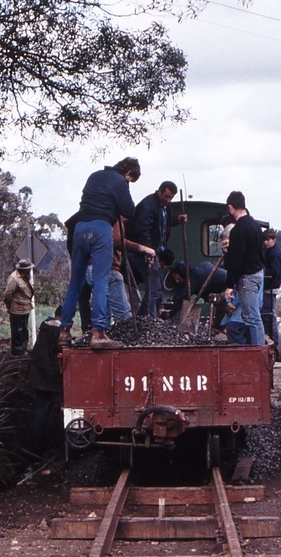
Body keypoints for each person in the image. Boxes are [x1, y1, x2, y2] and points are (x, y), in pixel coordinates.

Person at [59, 157, 140, 349]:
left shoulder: (94, 176)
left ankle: (63, 332)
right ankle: (99, 333)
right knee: (101, 282)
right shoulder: (120, 180)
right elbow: (129, 209)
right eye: (131, 180)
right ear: (128, 173)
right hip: (101, 228)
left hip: (80, 228)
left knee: (75, 283)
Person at [127, 180, 187, 316]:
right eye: (166, 196)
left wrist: (177, 219)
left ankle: (145, 317)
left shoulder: (164, 206)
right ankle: (149, 319)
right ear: (159, 191)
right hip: (144, 252)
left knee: (156, 287)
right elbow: (142, 230)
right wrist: (147, 251)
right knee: (153, 287)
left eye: (171, 198)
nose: (168, 200)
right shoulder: (148, 206)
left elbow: (163, 220)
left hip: (155, 251)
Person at [223, 191, 266, 345]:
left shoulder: (238, 229)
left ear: (230, 207)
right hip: (257, 273)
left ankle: (258, 351)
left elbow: (236, 260)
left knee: (251, 317)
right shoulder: (255, 225)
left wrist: (229, 285)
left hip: (247, 277)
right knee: (252, 316)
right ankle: (258, 347)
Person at [28, 308, 63, 453]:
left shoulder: (44, 329)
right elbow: (63, 350)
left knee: (40, 414)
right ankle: (68, 446)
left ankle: (35, 451)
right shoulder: (58, 331)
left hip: (38, 378)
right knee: (67, 411)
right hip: (52, 380)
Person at [3, 258, 34, 355]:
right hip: (17, 309)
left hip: (25, 308)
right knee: (17, 331)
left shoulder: (24, 277)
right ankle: (17, 352)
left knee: (24, 330)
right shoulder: (14, 278)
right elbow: (7, 294)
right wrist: (8, 306)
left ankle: (22, 350)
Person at [262, 229, 281, 341]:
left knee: (269, 315)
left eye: (268, 240)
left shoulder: (275, 254)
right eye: (264, 240)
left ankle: (274, 340)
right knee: (267, 314)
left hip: (270, 287)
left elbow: (274, 271)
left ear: (274, 239)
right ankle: (270, 338)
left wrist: (261, 271)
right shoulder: (270, 251)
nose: (266, 242)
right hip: (268, 287)